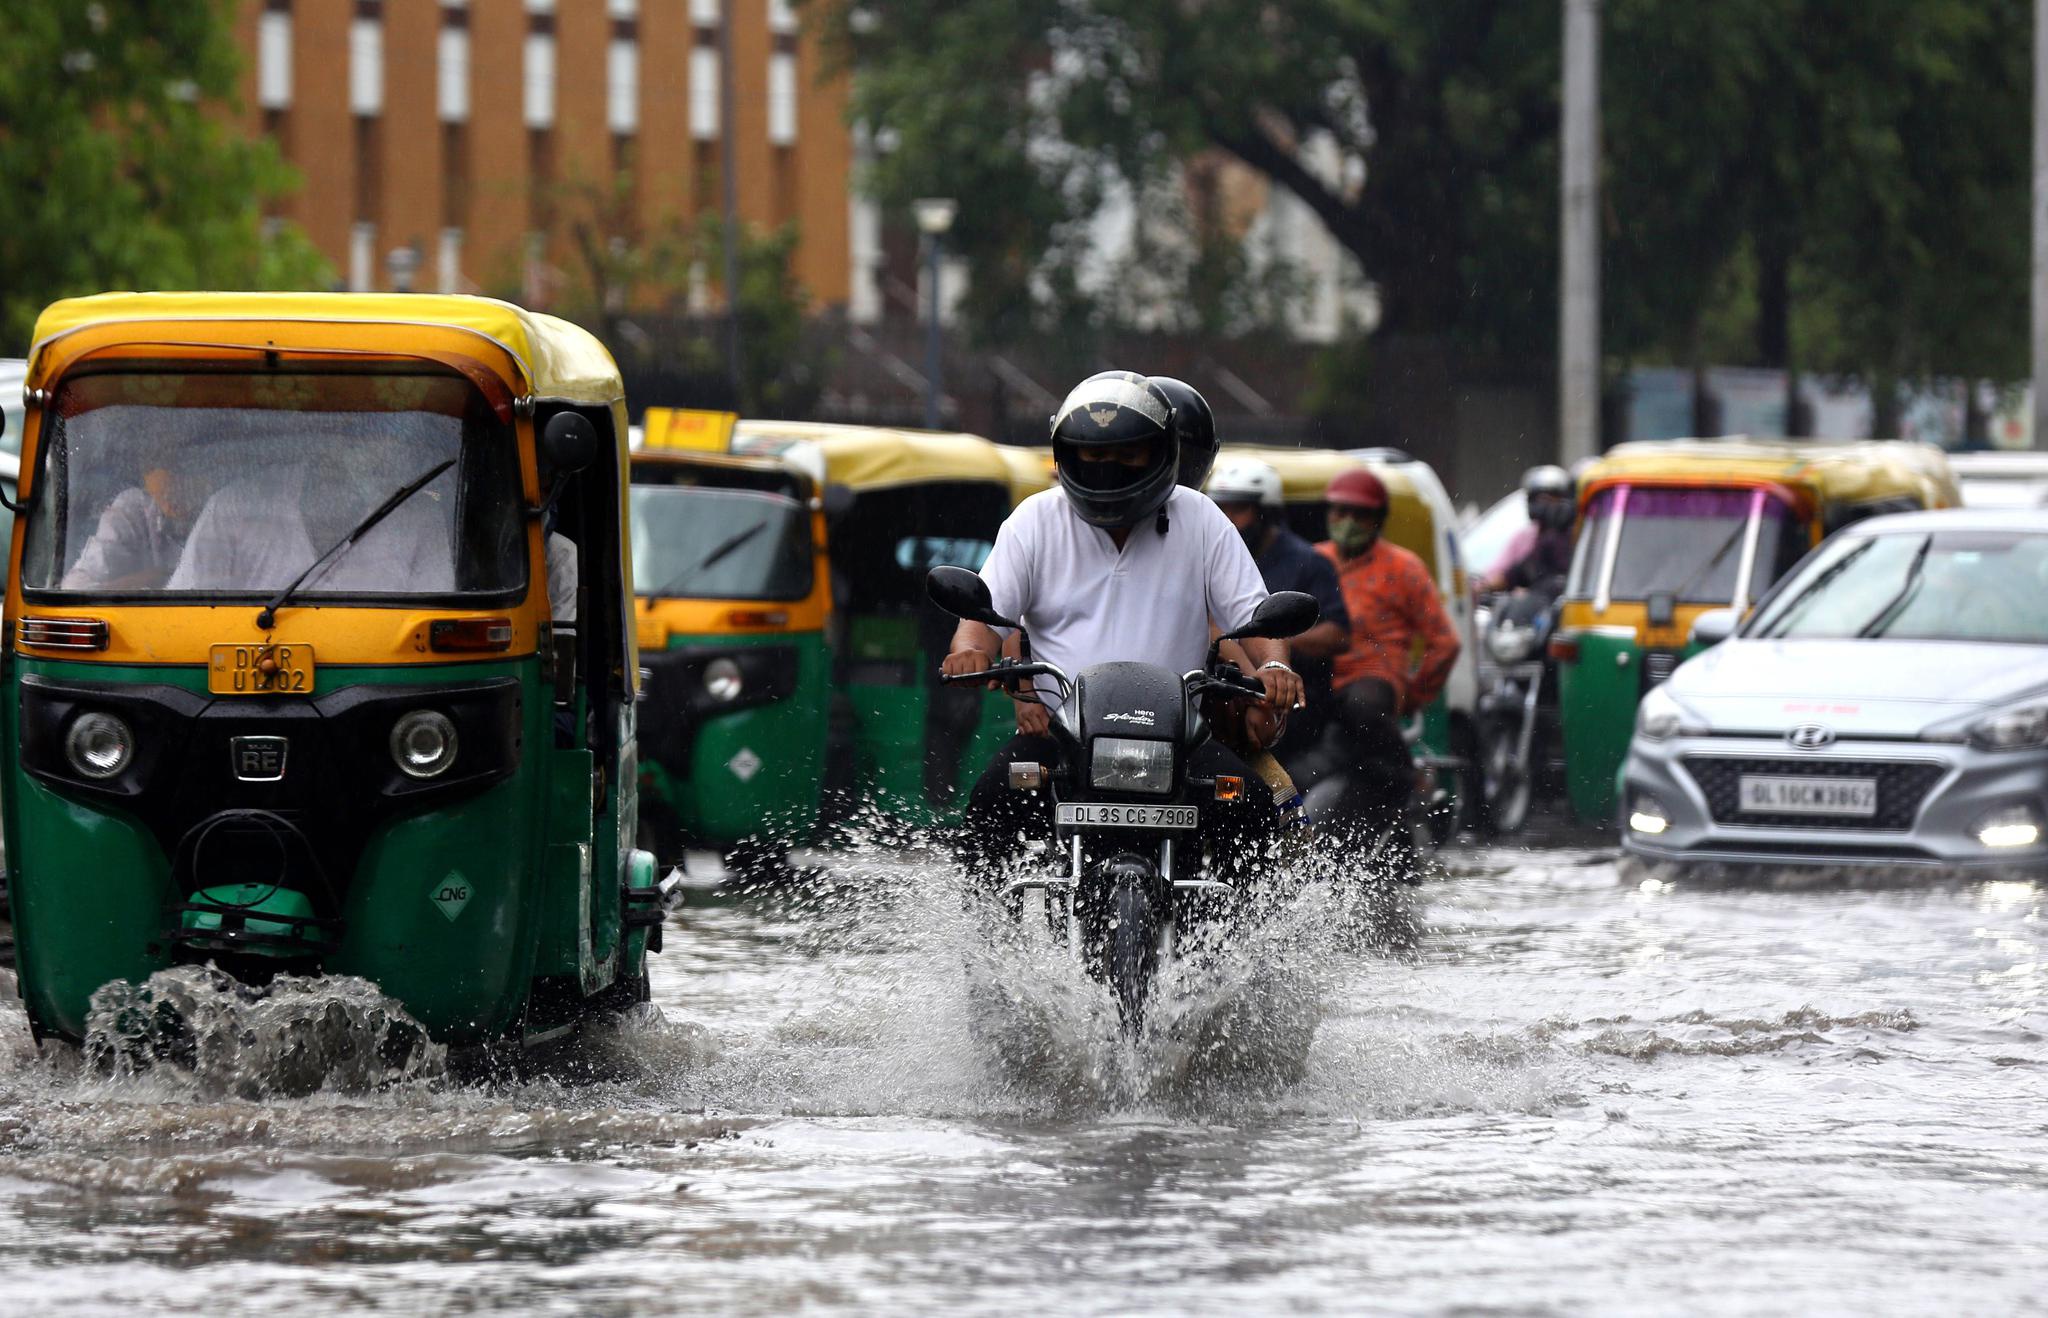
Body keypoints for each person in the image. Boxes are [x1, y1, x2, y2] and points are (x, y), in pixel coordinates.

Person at [944, 370, 1303, 890]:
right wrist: (971, 653)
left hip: (1179, 739)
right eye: (1091, 456)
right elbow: (982, 616)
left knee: (1251, 806)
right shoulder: (1034, 520)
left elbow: (1255, 612)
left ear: (1162, 452)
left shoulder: (1200, 519)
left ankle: (1242, 954)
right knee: (992, 801)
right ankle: (984, 949)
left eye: (1126, 456)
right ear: (1065, 454)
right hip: (1065, 738)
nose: (1107, 471)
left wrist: (1274, 665)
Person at [1317, 468, 1462, 833]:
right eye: (1339, 511)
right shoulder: (1314, 561)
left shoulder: (1404, 568)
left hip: (1372, 683)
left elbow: (1444, 643)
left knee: (1362, 708)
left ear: (1378, 519)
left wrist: (1412, 697)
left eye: (1359, 514)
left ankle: (1405, 780)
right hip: (1316, 682)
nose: (1347, 522)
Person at [168, 438, 454, 594]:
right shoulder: (233, 506)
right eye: (335, 436)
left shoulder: (418, 516)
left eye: (358, 435)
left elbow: (437, 616)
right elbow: (187, 608)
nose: (340, 452)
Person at [1205, 457, 1350, 755]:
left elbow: (1338, 634)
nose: (1228, 519)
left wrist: (1274, 646)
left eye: (1239, 508)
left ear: (1266, 512)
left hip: (1293, 700)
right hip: (1220, 693)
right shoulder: (1210, 556)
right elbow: (1209, 624)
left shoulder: (1308, 562)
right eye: (1221, 508)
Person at [61, 463, 206, 589]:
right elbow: (78, 588)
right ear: (146, 477)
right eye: (156, 465)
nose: (172, 481)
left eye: (181, 467)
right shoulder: (137, 510)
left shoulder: (223, 512)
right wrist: (154, 580)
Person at [1484, 465, 1576, 595]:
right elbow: (1510, 573)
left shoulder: (1573, 536)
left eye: (1548, 499)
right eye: (1536, 499)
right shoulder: (1525, 538)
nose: (1542, 506)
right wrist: (1485, 586)